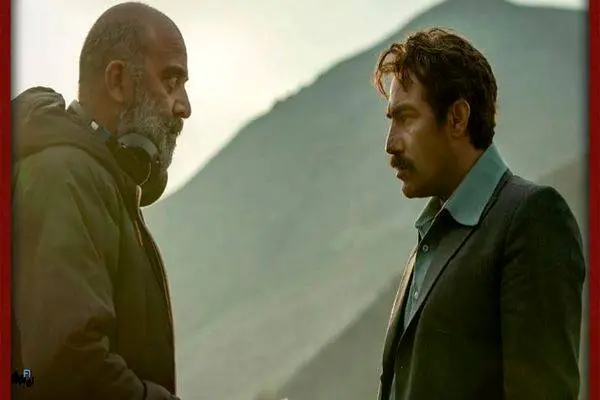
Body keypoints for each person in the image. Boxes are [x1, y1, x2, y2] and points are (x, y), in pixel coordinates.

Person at [372, 27, 585, 400]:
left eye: (405, 118)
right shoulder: (432, 235)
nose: (390, 143)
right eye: (391, 119)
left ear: (457, 118)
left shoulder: (531, 218)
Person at [11, 2, 191, 399]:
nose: (184, 107)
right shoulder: (63, 177)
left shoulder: (97, 181)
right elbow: (68, 367)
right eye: (171, 80)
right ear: (117, 80)